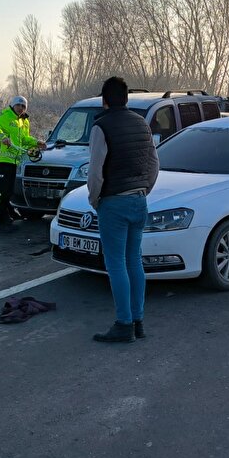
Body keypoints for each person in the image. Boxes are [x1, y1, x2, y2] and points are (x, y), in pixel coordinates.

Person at [88, 76, 160, 343]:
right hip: (139, 200)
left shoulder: (101, 126)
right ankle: (138, 320)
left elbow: (95, 172)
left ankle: (123, 324)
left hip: (114, 202)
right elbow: (154, 163)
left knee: (115, 263)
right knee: (134, 261)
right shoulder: (142, 123)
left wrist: (95, 199)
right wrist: (144, 189)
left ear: (104, 100)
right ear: (127, 98)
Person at [0, 96, 45, 233]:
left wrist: (37, 142)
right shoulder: (5, 115)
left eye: (23, 106)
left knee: (9, 191)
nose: (21, 108)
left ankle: (7, 216)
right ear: (13, 105)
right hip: (1, 160)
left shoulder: (24, 121)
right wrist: (2, 137)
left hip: (14, 161)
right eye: (18, 105)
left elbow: (24, 139)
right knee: (1, 191)